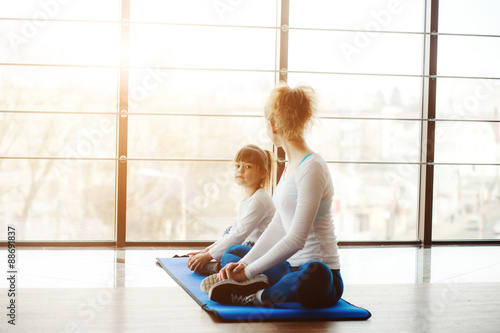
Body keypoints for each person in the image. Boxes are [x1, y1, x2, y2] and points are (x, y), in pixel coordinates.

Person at [208, 84, 343, 309]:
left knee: (316, 274)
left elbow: (297, 239)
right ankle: (262, 285)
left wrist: (250, 271)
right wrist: (245, 264)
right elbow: (278, 227)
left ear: (272, 125)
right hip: (286, 267)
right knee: (233, 254)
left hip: (319, 275)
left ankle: (256, 295)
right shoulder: (290, 167)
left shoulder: (313, 167)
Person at [186, 144, 275, 277]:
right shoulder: (247, 199)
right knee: (228, 231)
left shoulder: (260, 199)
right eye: (237, 166)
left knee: (230, 253)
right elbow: (234, 231)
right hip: (246, 246)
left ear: (262, 173)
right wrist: (205, 252)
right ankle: (219, 266)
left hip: (258, 252)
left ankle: (224, 268)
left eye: (247, 166)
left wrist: (207, 256)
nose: (240, 170)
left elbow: (239, 235)